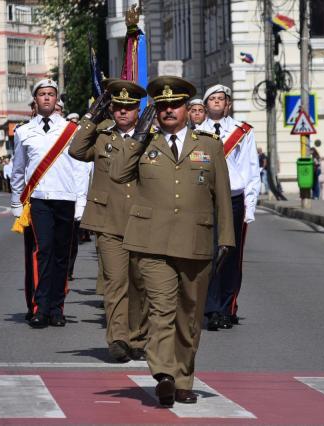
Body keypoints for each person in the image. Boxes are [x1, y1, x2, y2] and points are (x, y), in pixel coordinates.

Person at [109, 76, 235, 406]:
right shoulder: (143, 143)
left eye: (174, 105)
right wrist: (138, 136)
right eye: (161, 106)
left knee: (190, 316)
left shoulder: (208, 145)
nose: (168, 110)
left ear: (187, 109)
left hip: (195, 242)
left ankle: (183, 379)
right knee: (160, 311)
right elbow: (118, 174)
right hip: (151, 243)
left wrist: (226, 240)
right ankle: (164, 374)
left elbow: (222, 195)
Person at [69, 80, 149, 362]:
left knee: (140, 283)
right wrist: (92, 116)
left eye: (128, 108)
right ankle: (118, 339)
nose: (123, 113)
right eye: (117, 107)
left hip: (142, 221)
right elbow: (76, 150)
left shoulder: (150, 137)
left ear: (137, 110)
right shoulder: (102, 136)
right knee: (116, 283)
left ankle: (138, 337)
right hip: (108, 220)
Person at [10, 79, 89, 329]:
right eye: (42, 94)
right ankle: (41, 308)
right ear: (36, 100)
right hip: (39, 199)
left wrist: (81, 202)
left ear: (56, 100)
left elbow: (80, 167)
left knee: (61, 256)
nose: (46, 98)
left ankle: (57, 308)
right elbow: (18, 169)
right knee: (43, 252)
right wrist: (16, 202)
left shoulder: (71, 130)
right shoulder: (23, 131)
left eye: (51, 94)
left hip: (65, 198)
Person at [198, 83, 260, 330]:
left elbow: (251, 169)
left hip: (234, 200)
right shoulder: (196, 133)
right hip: (205, 200)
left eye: (221, 98)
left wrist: (250, 206)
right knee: (208, 256)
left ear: (228, 104)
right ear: (205, 104)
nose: (216, 101)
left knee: (231, 256)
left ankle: (227, 307)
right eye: (212, 98)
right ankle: (211, 308)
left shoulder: (242, 132)